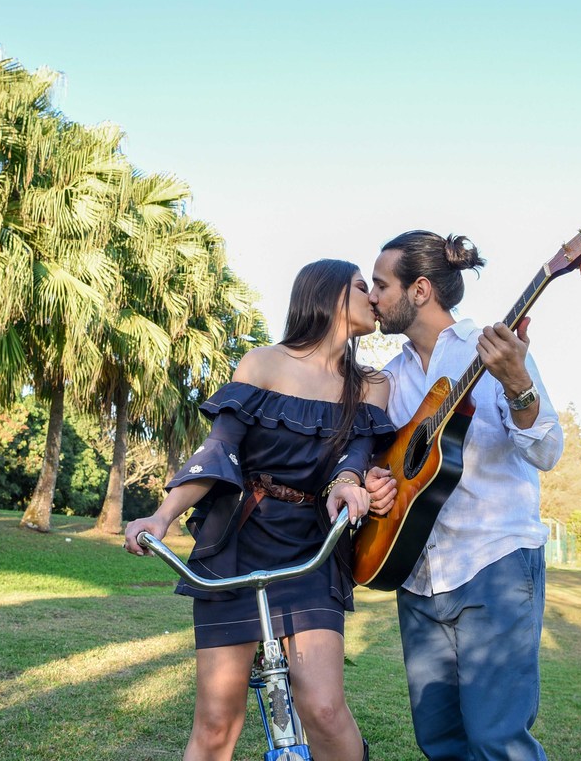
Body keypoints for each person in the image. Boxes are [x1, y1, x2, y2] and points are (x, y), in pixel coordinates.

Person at [125, 259, 396, 761]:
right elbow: (220, 450)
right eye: (364, 287)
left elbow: (355, 456)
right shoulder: (263, 362)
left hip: (313, 548)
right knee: (215, 720)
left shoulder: (372, 383)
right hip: (238, 544)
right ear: (331, 295)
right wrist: (160, 516)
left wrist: (347, 482)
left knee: (325, 709)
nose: (375, 298)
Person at [364, 230, 564, 760]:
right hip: (417, 573)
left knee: (497, 741)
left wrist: (517, 382)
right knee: (441, 741)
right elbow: (379, 462)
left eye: (381, 286)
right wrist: (376, 479)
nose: (372, 298)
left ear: (421, 289)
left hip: (493, 561)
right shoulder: (389, 377)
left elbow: (546, 450)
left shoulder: (494, 351)